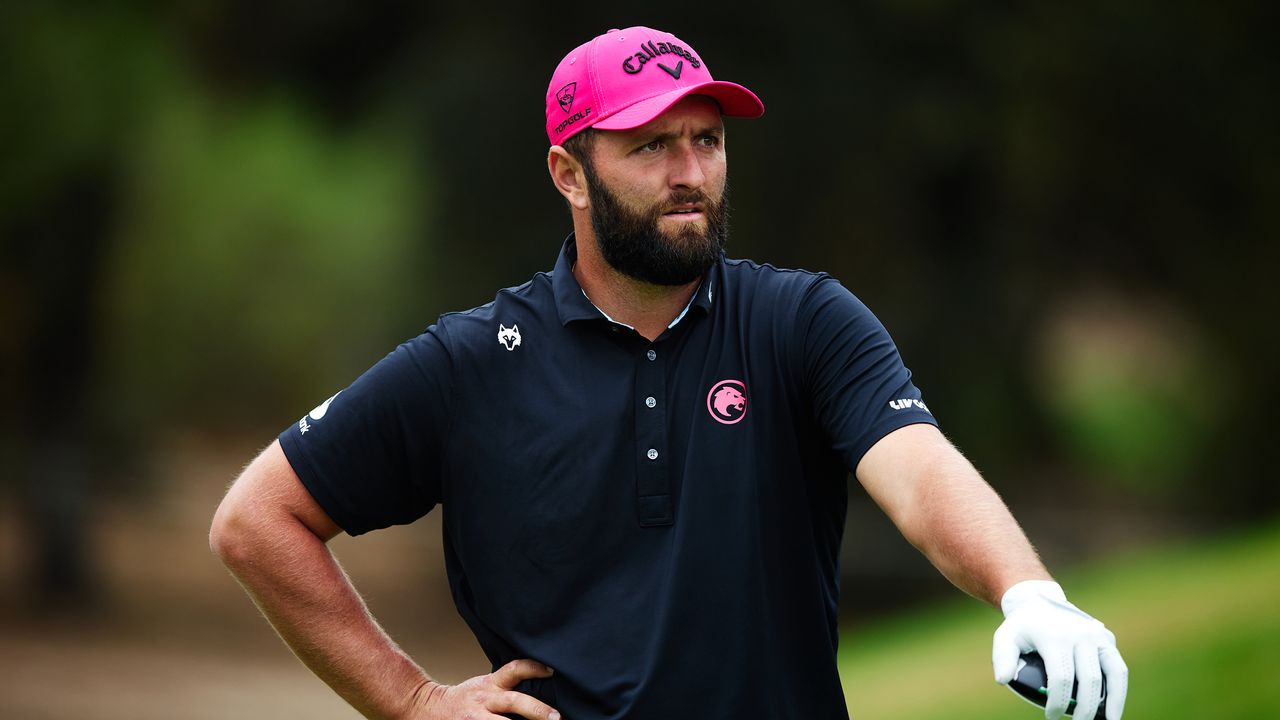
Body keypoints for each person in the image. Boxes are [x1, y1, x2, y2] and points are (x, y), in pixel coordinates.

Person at [210, 25, 1127, 720]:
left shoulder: (800, 321)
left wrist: (1026, 590)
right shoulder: (474, 360)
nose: (691, 171)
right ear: (570, 174)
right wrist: (410, 701)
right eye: (651, 145)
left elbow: (918, 472)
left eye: (708, 140)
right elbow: (258, 520)